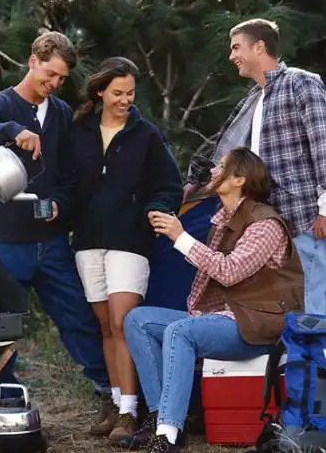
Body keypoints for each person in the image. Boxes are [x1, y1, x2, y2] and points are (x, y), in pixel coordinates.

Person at [0, 31, 110, 398]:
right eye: (49, 74)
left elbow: (69, 177)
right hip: (4, 240)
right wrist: (11, 130)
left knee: (78, 317)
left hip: (51, 241)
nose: (53, 84)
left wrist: (60, 202)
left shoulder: (61, 114)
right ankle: (3, 397)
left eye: (61, 79)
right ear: (33, 61)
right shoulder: (2, 106)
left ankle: (110, 393)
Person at [122, 147, 304, 452]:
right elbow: (207, 278)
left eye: (221, 166)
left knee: (181, 332)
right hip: (228, 318)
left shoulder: (265, 224)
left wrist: (180, 237)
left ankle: (168, 438)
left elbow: (230, 271)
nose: (213, 171)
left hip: (259, 325)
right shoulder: (223, 219)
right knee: (137, 320)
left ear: (239, 179)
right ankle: (159, 417)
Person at [184, 18, 326, 315]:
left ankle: (308, 362)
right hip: (265, 225)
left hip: (302, 218)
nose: (231, 56)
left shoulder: (301, 82)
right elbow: (226, 150)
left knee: (306, 306)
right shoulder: (254, 99)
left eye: (236, 48)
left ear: (259, 47)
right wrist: (193, 185)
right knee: (276, 310)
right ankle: (283, 363)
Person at [70, 57, 183, 441]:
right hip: (87, 241)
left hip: (130, 241)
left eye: (130, 93)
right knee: (104, 325)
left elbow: (170, 186)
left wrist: (155, 209)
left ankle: (131, 413)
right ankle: (118, 404)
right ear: (100, 92)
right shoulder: (79, 131)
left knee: (122, 322)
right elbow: (65, 184)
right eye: (117, 93)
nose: (125, 100)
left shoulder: (146, 135)